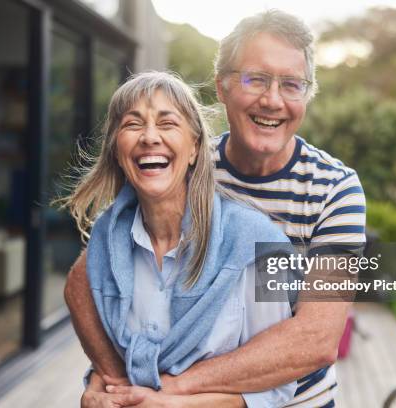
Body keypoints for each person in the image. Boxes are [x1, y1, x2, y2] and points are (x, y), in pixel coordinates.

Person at [65, 10, 366, 407]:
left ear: (306, 96)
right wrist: (110, 377)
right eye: (255, 79)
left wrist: (171, 389)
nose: (272, 100)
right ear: (222, 87)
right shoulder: (178, 162)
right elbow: (88, 279)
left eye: (291, 85)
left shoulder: (335, 189)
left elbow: (316, 339)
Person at [62, 70, 297, 407]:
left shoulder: (259, 244)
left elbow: (277, 388)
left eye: (167, 123)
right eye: (132, 124)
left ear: (194, 148)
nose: (149, 137)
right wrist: (96, 392)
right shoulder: (106, 242)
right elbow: (119, 358)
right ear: (117, 150)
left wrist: (175, 404)